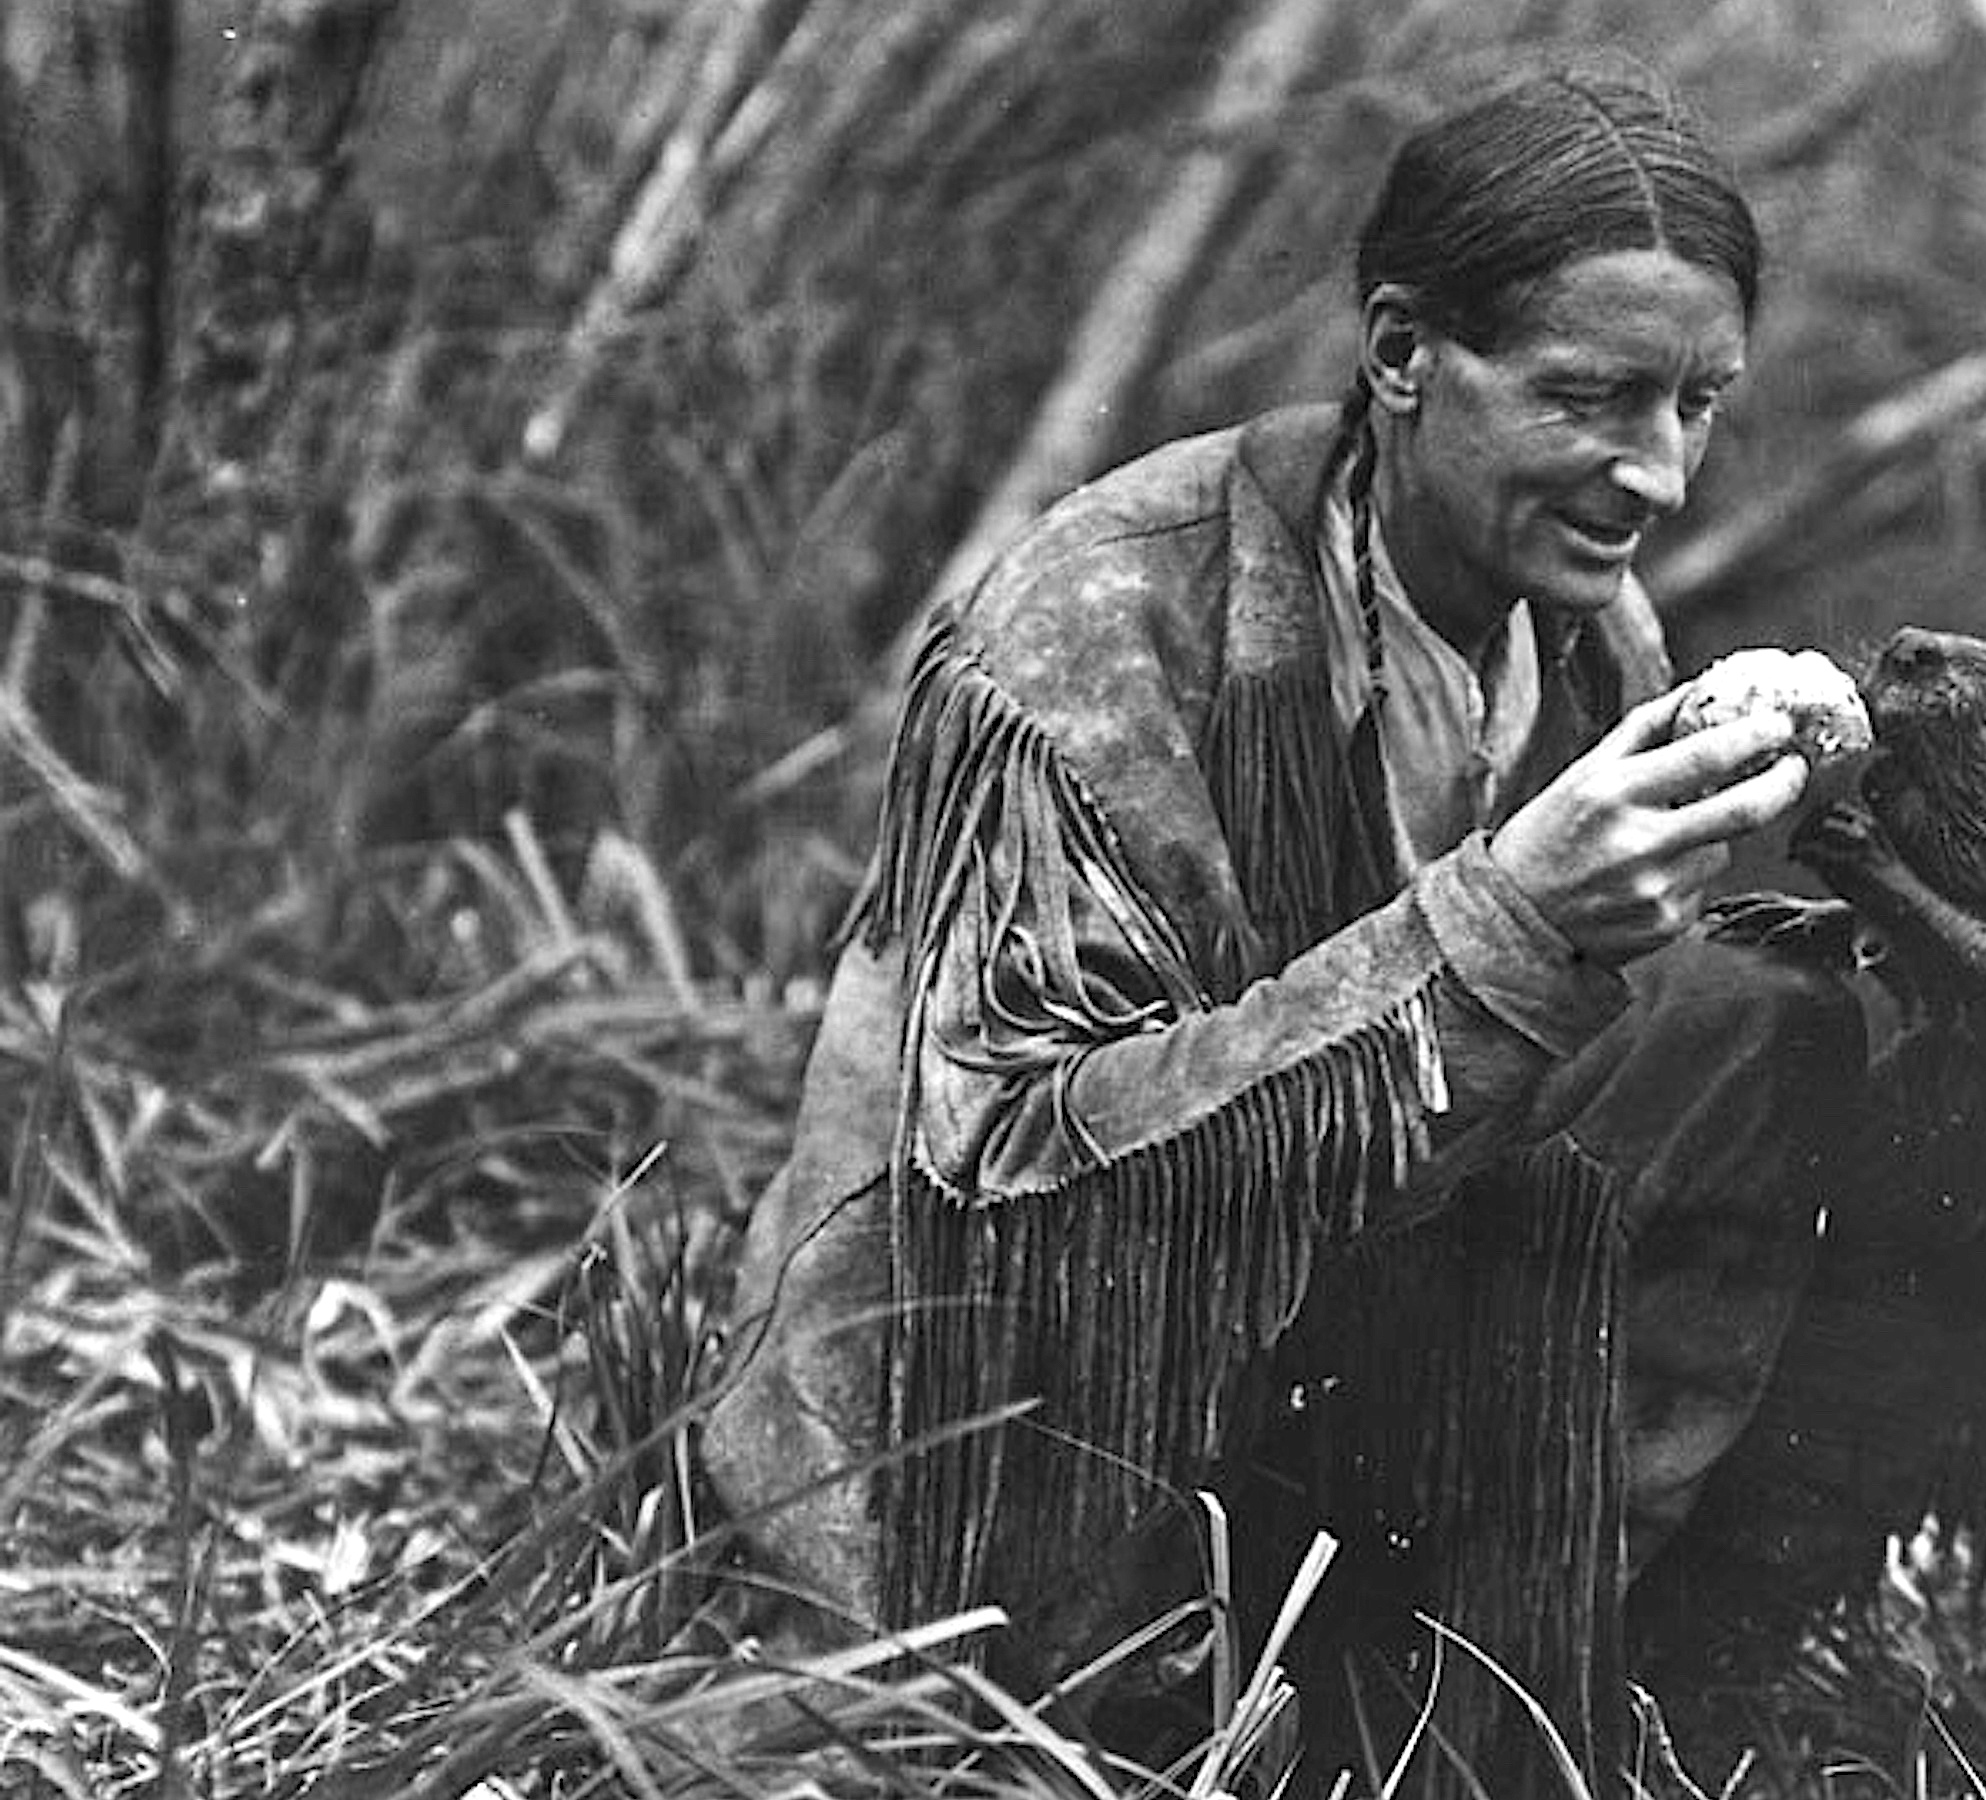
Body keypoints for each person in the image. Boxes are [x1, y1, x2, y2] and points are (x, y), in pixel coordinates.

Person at [701, 67, 1869, 1793]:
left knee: (1770, 1020)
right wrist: (1506, 926)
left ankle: (1521, 1671)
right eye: (1594, 398)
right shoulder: (1103, 630)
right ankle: (1205, 1696)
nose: (1663, 475)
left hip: (1318, 1333)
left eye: (1702, 402)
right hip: (1010, 1430)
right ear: (1401, 355)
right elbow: (1021, 1178)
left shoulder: (1594, 628)